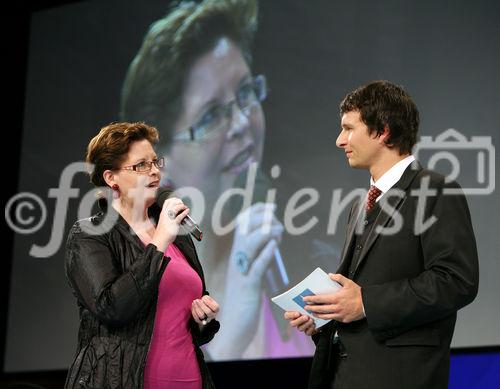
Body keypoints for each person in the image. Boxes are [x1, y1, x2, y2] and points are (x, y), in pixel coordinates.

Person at [120, 0, 318, 360]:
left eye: (245, 93)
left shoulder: (310, 251)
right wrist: (229, 343)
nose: (242, 124)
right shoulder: (142, 288)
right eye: (211, 116)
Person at [285, 80, 479, 389]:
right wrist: (323, 315)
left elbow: (456, 281)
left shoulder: (436, 190)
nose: (339, 140)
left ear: (383, 130)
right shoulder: (360, 206)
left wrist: (366, 303)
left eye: (349, 128)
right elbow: (356, 291)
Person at [64, 122, 220, 389]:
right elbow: (112, 308)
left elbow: (180, 323)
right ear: (111, 178)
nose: (154, 172)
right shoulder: (90, 235)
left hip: (189, 379)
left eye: (155, 162)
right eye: (141, 166)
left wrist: (203, 320)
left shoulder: (177, 235)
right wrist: (160, 240)